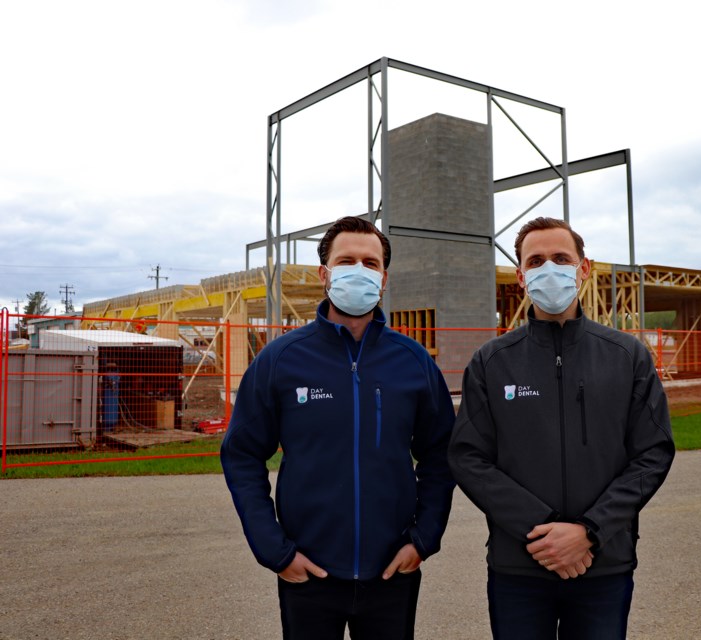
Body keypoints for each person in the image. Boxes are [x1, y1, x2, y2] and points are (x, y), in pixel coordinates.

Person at [221, 216, 456, 640]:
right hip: (307, 572)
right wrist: (274, 550)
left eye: (371, 263)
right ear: (325, 274)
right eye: (347, 261)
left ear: (384, 278)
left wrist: (423, 539)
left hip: (391, 573)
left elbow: (441, 454)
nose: (359, 270)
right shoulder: (280, 360)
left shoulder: (414, 362)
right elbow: (241, 454)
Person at [448, 217, 675, 640]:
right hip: (519, 567)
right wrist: (543, 529)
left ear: (583, 268)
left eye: (560, 258)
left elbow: (653, 452)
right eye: (535, 261)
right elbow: (468, 457)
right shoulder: (491, 362)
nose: (548, 268)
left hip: (603, 565)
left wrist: (589, 531)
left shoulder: (627, 356)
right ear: (520, 276)